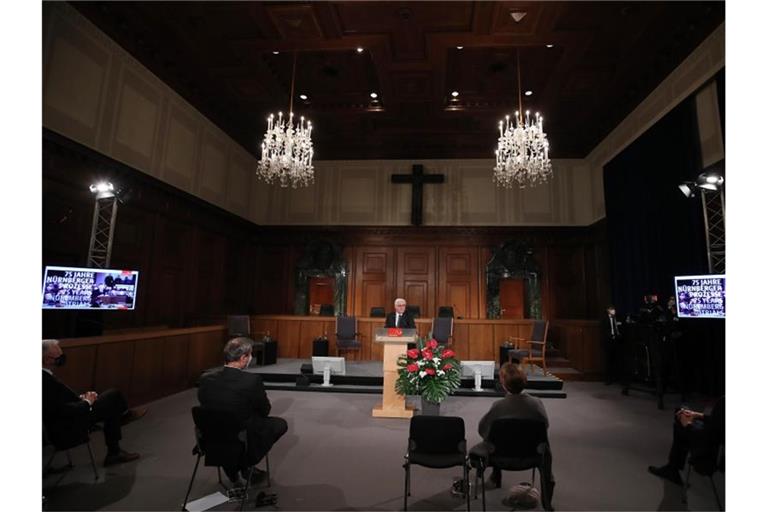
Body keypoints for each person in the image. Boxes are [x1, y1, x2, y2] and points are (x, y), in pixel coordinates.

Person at [198, 337, 288, 486]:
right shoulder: (252, 381)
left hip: (210, 438)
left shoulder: (206, 379)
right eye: (250, 355)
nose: (251, 358)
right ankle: (245, 465)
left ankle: (233, 471)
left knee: (228, 426)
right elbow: (265, 410)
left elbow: (205, 404)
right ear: (244, 357)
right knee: (280, 424)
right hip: (239, 437)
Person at [42, 339, 146, 466]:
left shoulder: (45, 376)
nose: (62, 359)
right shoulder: (44, 380)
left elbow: (59, 402)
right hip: (68, 425)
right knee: (113, 396)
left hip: (72, 416)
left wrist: (82, 398)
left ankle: (115, 448)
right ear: (47, 360)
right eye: (59, 357)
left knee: (111, 405)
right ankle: (122, 424)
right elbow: (61, 410)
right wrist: (86, 402)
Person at [473, 363, 554, 506]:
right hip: (532, 454)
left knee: (495, 438)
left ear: (503, 383)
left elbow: (483, 429)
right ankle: (547, 502)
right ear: (525, 381)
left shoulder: (498, 406)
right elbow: (544, 426)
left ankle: (495, 476)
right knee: (545, 449)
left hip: (500, 455)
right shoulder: (536, 403)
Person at [648, 396, 724, 485]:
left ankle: (672, 469)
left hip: (709, 452)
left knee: (680, 421)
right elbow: (718, 423)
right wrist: (697, 414)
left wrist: (687, 425)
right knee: (682, 411)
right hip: (712, 438)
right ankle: (672, 468)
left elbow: (712, 436)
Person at [600, 305, 624, 385]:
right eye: (612, 310)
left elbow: (621, 327)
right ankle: (608, 379)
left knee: (618, 360)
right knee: (608, 361)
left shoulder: (617, 318)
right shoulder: (604, 320)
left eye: (614, 309)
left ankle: (618, 378)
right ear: (608, 311)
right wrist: (611, 336)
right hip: (608, 342)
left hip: (617, 342)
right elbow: (603, 332)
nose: (614, 311)